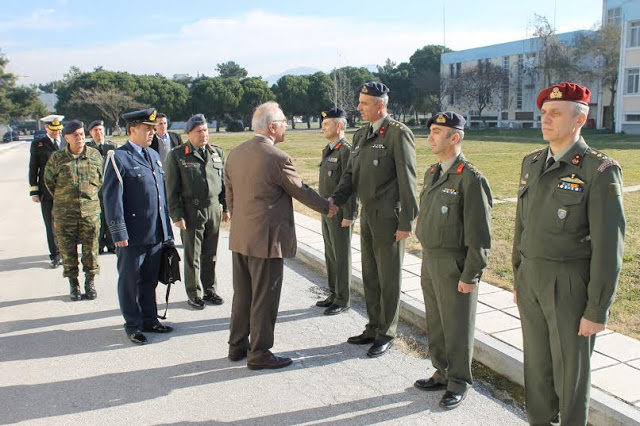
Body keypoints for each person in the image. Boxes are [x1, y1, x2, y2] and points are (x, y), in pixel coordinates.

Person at [512, 82, 625, 426]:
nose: (545, 119)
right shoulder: (531, 162)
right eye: (544, 112)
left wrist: (597, 309)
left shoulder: (598, 170)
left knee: (570, 375)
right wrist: (519, 277)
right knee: (537, 368)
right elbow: (521, 228)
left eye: (555, 113)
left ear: (579, 120)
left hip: (569, 285)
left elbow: (610, 247)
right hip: (532, 280)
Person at [224, 101, 337, 370]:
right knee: (265, 295)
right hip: (266, 240)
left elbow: (230, 195)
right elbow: (300, 190)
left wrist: (240, 222)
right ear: (272, 127)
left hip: (241, 236)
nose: (286, 125)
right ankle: (259, 352)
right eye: (284, 121)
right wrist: (327, 207)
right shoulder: (278, 158)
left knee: (243, 294)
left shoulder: (235, 153)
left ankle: (237, 346)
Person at [331, 82, 418, 358]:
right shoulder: (360, 136)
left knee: (388, 277)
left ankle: (387, 332)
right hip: (368, 217)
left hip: (389, 219)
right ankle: (373, 326)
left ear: (380, 105)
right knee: (370, 274)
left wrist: (406, 222)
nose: (358, 108)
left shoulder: (397, 134)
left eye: (363, 103)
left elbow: (408, 179)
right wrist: (335, 199)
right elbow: (349, 175)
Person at [413, 111, 492, 409]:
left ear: (454, 137)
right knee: (437, 321)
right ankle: (442, 371)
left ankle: (459, 381)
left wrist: (471, 275)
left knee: (457, 325)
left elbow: (480, 236)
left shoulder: (471, 179)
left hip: (455, 263)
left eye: (436, 131)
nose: (430, 136)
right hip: (430, 259)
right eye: (430, 130)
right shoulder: (433, 172)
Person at [103, 108, 174, 345]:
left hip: (154, 232)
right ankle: (133, 325)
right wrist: (118, 232)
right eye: (147, 128)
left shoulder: (153, 156)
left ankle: (149, 319)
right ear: (132, 129)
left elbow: (160, 196)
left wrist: (167, 231)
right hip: (131, 235)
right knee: (129, 281)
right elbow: (112, 199)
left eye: (154, 128)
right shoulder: (118, 157)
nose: (152, 132)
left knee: (149, 280)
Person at [165, 114, 228, 310]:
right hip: (191, 211)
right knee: (193, 255)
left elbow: (224, 183)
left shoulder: (217, 152)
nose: (204, 135)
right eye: (199, 131)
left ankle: (209, 289)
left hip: (213, 209)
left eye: (206, 130)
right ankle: (194, 293)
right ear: (189, 133)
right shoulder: (177, 155)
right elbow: (171, 189)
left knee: (211, 254)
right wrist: (177, 215)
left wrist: (225, 208)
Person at [44, 120, 103, 301]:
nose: (80, 138)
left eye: (82, 134)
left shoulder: (94, 156)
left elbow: (100, 180)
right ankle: (73, 284)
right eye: (75, 135)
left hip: (90, 213)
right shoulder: (57, 158)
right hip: (64, 215)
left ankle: (90, 282)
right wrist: (66, 199)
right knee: (68, 251)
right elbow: (49, 182)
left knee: (91, 250)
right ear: (66, 138)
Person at [316, 107, 358, 315]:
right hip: (326, 211)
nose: (322, 127)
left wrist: (350, 215)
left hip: (341, 213)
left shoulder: (346, 151)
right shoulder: (329, 149)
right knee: (330, 254)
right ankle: (333, 293)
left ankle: (343, 299)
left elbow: (351, 184)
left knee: (341, 256)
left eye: (326, 124)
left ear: (339, 125)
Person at [29, 115, 64, 268]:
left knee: (65, 224)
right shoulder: (39, 144)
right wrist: (34, 191)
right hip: (47, 191)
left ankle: (66, 253)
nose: (56, 132)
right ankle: (55, 255)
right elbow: (33, 168)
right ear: (46, 128)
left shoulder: (66, 141)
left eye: (58, 129)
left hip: (66, 191)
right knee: (51, 225)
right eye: (53, 129)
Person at [86, 119, 117, 254]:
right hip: (93, 189)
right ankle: (98, 244)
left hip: (109, 187)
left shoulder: (112, 147)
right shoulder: (87, 149)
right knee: (97, 218)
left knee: (110, 215)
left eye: (100, 130)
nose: (98, 133)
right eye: (95, 130)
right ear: (91, 133)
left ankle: (111, 243)